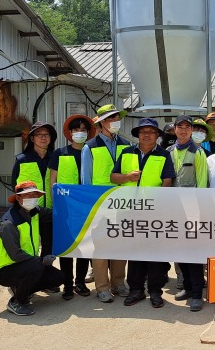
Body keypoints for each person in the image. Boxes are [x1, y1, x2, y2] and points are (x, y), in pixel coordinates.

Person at [112, 118, 176, 308]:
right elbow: (113, 177)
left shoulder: (164, 154)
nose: (146, 135)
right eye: (143, 131)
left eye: (151, 131)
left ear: (157, 135)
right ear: (138, 135)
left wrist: (157, 203)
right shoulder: (126, 152)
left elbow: (168, 180)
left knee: (155, 253)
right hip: (129, 210)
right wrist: (127, 177)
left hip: (154, 212)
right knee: (135, 252)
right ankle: (136, 290)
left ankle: (155, 291)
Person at [81, 103, 131, 303]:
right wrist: (90, 207)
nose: (115, 121)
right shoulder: (89, 147)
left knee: (120, 245)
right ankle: (102, 287)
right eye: (111, 118)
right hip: (99, 203)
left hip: (122, 202)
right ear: (101, 123)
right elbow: (86, 180)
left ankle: (118, 283)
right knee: (100, 246)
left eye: (117, 117)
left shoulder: (126, 144)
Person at [0, 181, 64, 316]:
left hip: (26, 265)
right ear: (18, 198)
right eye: (28, 195)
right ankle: (16, 301)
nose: (32, 198)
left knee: (58, 277)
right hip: (5, 270)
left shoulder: (34, 212)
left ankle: (21, 288)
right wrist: (42, 261)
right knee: (37, 266)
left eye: (35, 195)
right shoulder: (8, 224)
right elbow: (15, 255)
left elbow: (55, 214)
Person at [48, 114, 95, 300]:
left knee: (84, 246)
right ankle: (67, 285)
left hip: (86, 208)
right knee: (67, 248)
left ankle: (80, 282)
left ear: (88, 133)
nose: (80, 133)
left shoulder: (91, 152)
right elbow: (53, 181)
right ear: (70, 132)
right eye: (76, 130)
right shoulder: (60, 153)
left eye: (83, 130)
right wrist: (57, 207)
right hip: (65, 210)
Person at [168, 115, 209, 312]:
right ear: (175, 129)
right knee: (180, 251)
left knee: (193, 253)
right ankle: (187, 287)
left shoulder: (198, 152)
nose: (183, 130)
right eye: (180, 126)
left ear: (192, 130)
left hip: (192, 209)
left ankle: (197, 294)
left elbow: (202, 181)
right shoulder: (169, 151)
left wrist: (198, 211)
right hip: (174, 208)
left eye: (187, 127)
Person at [11, 121, 57, 257]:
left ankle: (46, 269)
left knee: (49, 248)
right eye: (39, 135)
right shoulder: (22, 160)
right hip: (28, 210)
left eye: (46, 135)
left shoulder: (55, 158)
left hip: (49, 211)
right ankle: (32, 269)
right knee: (29, 246)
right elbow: (14, 185)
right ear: (32, 138)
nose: (43, 137)